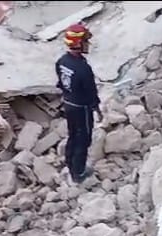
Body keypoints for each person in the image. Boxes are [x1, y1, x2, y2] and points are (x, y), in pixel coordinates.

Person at [55, 23, 102, 184]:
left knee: (73, 135)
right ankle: (79, 172)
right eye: (85, 41)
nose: (88, 44)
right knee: (84, 138)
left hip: (68, 104)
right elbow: (91, 92)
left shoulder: (62, 61)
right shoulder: (83, 68)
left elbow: (60, 83)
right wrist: (96, 107)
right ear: (78, 43)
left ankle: (69, 163)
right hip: (82, 108)